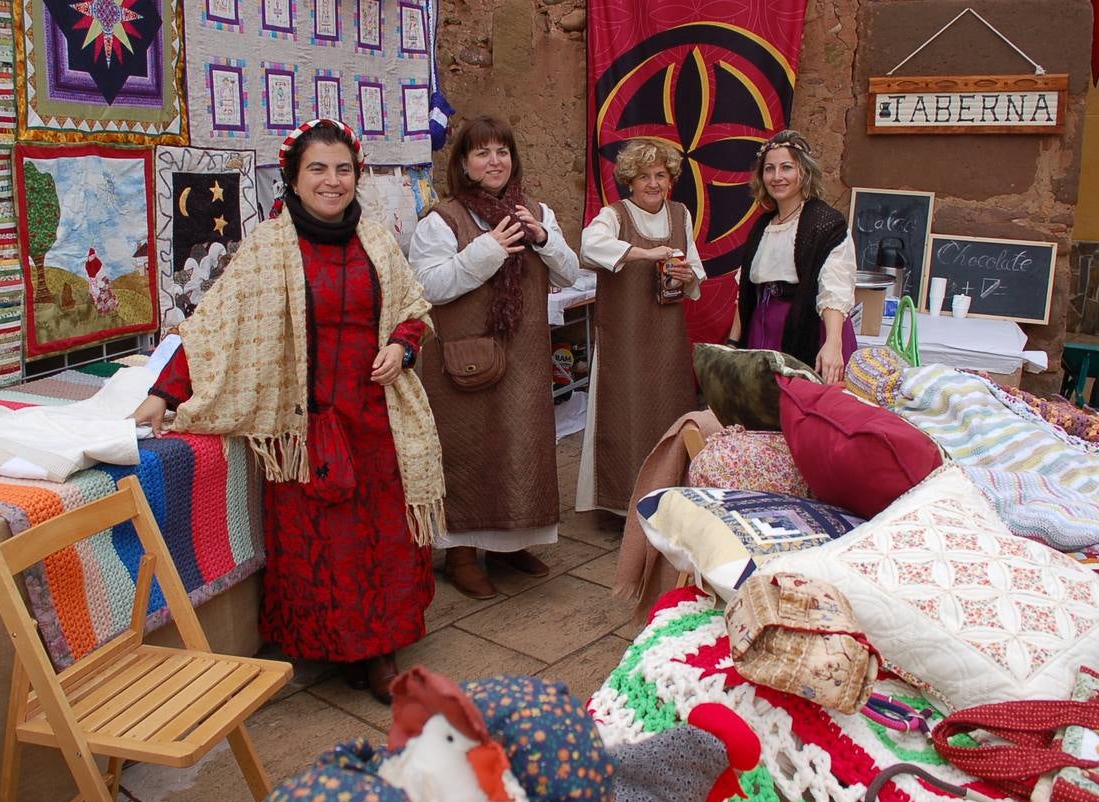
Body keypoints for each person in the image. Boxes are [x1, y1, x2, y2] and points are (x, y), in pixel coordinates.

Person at [130, 119, 443, 705]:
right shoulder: (269, 247)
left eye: (343, 169)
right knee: (324, 542)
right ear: (294, 181)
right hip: (307, 425)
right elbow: (215, 330)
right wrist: (165, 393)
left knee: (381, 540)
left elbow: (412, 308)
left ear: (357, 175)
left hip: (375, 422)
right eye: (317, 170)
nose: (332, 181)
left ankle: (381, 653)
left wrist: (401, 347)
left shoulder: (375, 240)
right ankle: (334, 648)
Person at [408, 116, 580, 599]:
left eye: (501, 151)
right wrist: (488, 249)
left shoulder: (536, 211)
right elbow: (426, 286)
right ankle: (460, 555)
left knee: (521, 448)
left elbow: (568, 273)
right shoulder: (441, 220)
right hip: (464, 358)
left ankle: (512, 543)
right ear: (463, 163)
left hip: (522, 357)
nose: (494, 161)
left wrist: (543, 240)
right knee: (471, 451)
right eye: (482, 153)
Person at [576, 139, 704, 514]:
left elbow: (694, 273)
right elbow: (589, 246)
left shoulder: (680, 215)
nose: (653, 183)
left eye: (660, 175)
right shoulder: (615, 215)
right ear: (630, 180)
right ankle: (621, 504)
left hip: (666, 336)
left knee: (667, 407)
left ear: (671, 180)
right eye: (644, 176)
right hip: (624, 336)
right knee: (625, 413)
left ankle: (668, 498)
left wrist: (684, 274)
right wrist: (646, 254)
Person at [727, 129, 857, 383]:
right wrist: (733, 343)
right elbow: (746, 291)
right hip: (763, 330)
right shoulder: (762, 226)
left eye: (786, 167)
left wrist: (833, 344)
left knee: (805, 411)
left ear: (804, 172)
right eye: (769, 169)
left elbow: (835, 288)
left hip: (810, 330)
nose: (777, 177)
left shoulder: (825, 223)